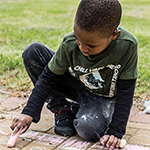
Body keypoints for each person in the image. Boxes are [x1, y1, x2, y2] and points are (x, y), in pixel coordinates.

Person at [10, 0, 138, 149]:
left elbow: (126, 92)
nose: (83, 48)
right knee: (33, 53)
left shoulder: (127, 46)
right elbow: (47, 77)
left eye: (91, 45)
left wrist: (116, 131)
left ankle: (79, 110)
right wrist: (29, 112)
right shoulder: (70, 43)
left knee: (87, 128)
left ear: (114, 35)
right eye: (78, 40)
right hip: (78, 86)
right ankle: (61, 108)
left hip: (103, 98)